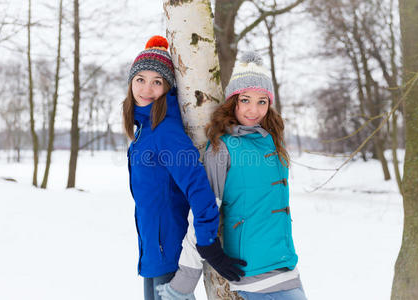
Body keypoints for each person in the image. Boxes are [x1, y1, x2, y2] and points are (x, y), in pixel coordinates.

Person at [157, 51, 307, 300]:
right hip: (254, 270)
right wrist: (183, 283)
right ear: (233, 102)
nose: (253, 109)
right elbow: (203, 211)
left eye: (262, 101)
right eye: (246, 100)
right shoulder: (222, 148)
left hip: (286, 263)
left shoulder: (271, 140)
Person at [123, 36, 246, 300]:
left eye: (157, 81)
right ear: (131, 83)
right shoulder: (143, 132)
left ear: (167, 88)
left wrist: (208, 243)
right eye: (140, 79)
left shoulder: (165, 131)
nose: (147, 88)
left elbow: (199, 188)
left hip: (171, 256)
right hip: (154, 253)